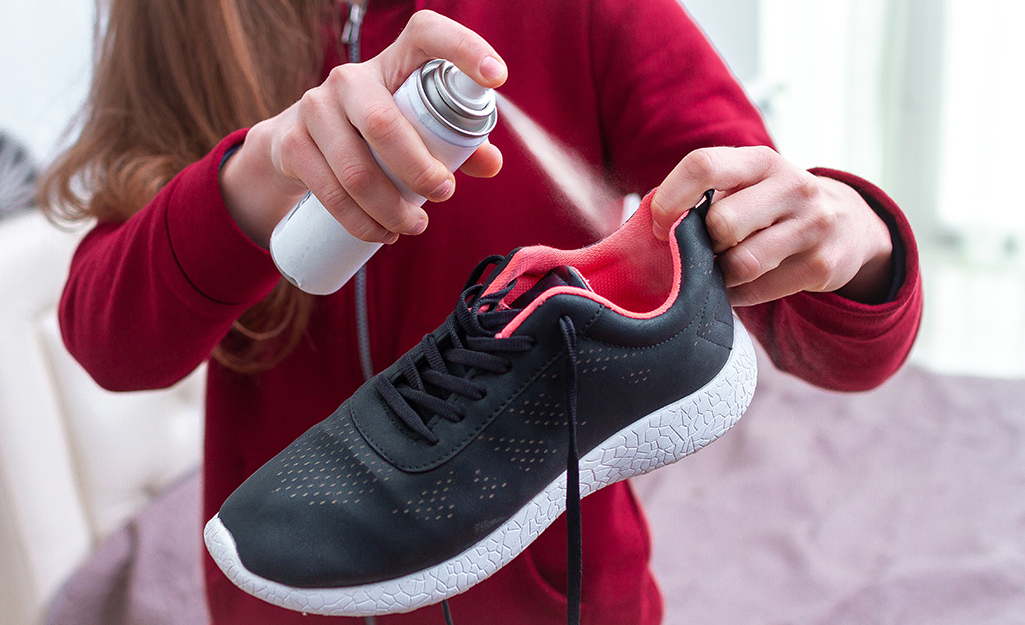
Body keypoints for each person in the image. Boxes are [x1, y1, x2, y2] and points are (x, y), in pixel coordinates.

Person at [39, 0, 923, 624]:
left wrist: (855, 235)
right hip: (281, 587)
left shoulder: (582, 9)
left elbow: (823, 339)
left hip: (554, 601)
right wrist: (255, 176)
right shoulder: (184, 19)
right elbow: (112, 347)